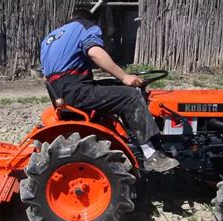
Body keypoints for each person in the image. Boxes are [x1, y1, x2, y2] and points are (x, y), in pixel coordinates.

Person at [40, 9, 179, 172]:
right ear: (93, 21)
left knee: (119, 88)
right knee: (131, 96)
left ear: (71, 17)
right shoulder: (85, 26)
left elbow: (46, 73)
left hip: (62, 91)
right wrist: (124, 76)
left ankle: (135, 138)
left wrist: (121, 81)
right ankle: (151, 154)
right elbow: (95, 52)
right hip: (76, 90)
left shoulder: (51, 37)